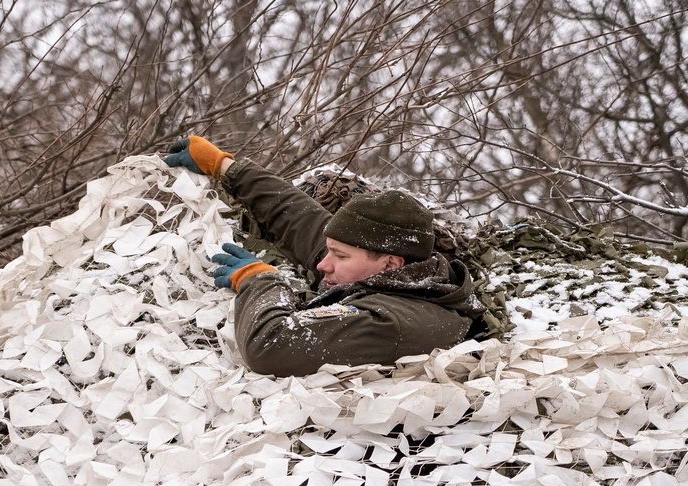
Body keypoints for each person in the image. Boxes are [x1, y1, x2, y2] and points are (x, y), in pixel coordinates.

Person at [164, 136, 485, 377]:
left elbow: (270, 347)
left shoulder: (392, 323)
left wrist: (258, 281)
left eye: (339, 255)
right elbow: (304, 221)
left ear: (390, 262)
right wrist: (224, 166)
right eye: (331, 250)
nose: (323, 263)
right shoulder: (405, 276)